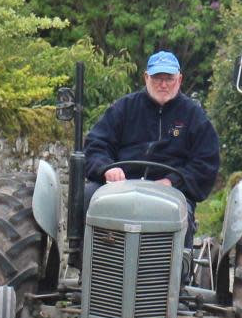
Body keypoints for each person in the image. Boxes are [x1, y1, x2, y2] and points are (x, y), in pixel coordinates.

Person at [83, 51, 221, 246]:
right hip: (119, 187)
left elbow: (206, 162)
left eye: (169, 78)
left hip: (171, 192)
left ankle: (179, 272)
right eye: (157, 78)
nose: (163, 84)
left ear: (179, 79)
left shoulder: (194, 116)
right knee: (88, 196)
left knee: (182, 213)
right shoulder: (124, 108)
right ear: (146, 77)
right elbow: (96, 144)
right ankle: (87, 264)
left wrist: (171, 182)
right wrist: (107, 168)